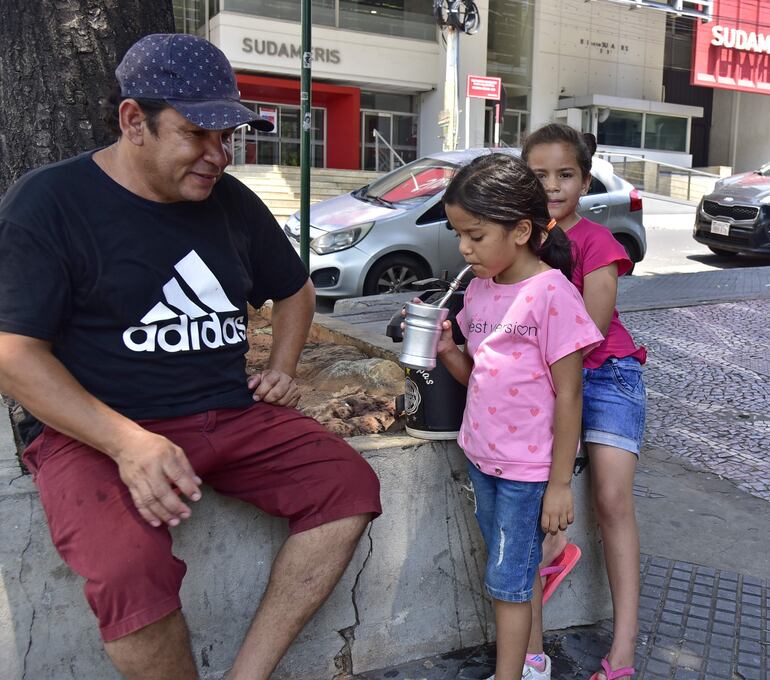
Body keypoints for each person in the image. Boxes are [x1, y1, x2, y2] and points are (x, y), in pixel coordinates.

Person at [0, 34, 381, 680]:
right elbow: (13, 355)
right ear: (133, 122)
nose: (218, 155)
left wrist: (283, 367)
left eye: (227, 136)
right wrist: (127, 444)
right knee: (128, 573)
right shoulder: (49, 204)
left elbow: (295, 293)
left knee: (347, 486)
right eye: (197, 134)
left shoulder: (230, 202)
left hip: (226, 411)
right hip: (95, 429)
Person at [432, 153, 603, 680]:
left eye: (475, 236)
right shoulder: (480, 289)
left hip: (529, 473)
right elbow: (478, 375)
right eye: (458, 234)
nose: (464, 248)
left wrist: (559, 486)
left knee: (505, 580)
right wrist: (446, 350)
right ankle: (533, 659)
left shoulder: (552, 294)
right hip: (483, 459)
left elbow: (570, 396)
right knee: (512, 567)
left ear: (522, 230)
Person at [523, 123, 647, 680]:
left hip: (608, 374)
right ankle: (553, 554)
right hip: (548, 377)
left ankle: (622, 649)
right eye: (538, 174)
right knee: (525, 485)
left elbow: (591, 330)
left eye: (565, 174)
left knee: (613, 500)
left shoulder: (598, 243)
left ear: (584, 179)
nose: (552, 186)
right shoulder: (520, 237)